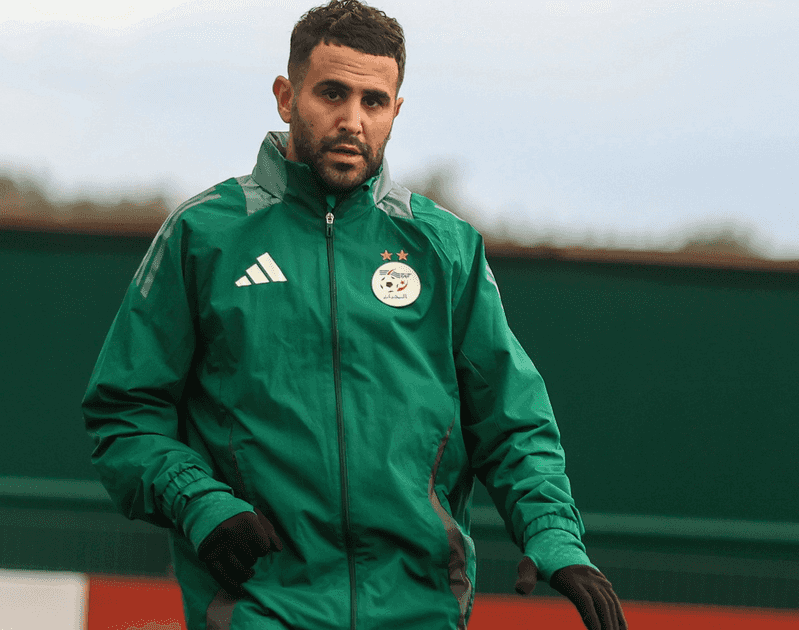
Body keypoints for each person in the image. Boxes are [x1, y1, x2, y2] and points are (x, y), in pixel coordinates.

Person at [83, 1, 627, 628]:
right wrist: (202, 503)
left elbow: (512, 423)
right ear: (286, 97)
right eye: (332, 94)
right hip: (261, 606)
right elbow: (125, 414)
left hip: (420, 610)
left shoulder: (445, 247)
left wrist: (554, 536)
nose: (352, 120)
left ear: (396, 110)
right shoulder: (203, 236)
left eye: (374, 101)